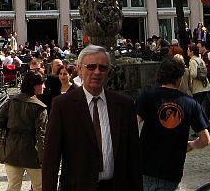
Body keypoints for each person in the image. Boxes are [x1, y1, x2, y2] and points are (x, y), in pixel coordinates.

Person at [42, 45, 142, 191]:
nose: (97, 72)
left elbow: (134, 157)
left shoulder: (124, 105)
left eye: (102, 67)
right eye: (91, 67)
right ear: (79, 69)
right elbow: (51, 158)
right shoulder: (62, 105)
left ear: (108, 72)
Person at [136, 56, 210, 191]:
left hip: (145, 167)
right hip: (172, 171)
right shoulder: (191, 103)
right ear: (180, 77)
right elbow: (205, 139)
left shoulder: (148, 97)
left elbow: (132, 126)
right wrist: (191, 144)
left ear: (160, 75)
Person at [0, 71, 46, 191]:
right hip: (32, 152)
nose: (44, 86)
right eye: (42, 84)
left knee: (13, 186)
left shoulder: (11, 102)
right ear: (34, 85)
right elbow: (41, 134)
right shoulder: (39, 107)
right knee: (40, 186)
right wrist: (43, 157)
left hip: (12, 149)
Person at [187, 44, 210, 122]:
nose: (187, 51)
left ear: (192, 52)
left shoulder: (192, 61)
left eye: (188, 50)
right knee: (201, 106)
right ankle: (206, 123)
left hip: (197, 88)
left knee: (197, 108)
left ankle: (203, 125)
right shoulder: (200, 59)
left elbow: (194, 74)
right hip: (205, 85)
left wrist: (189, 72)